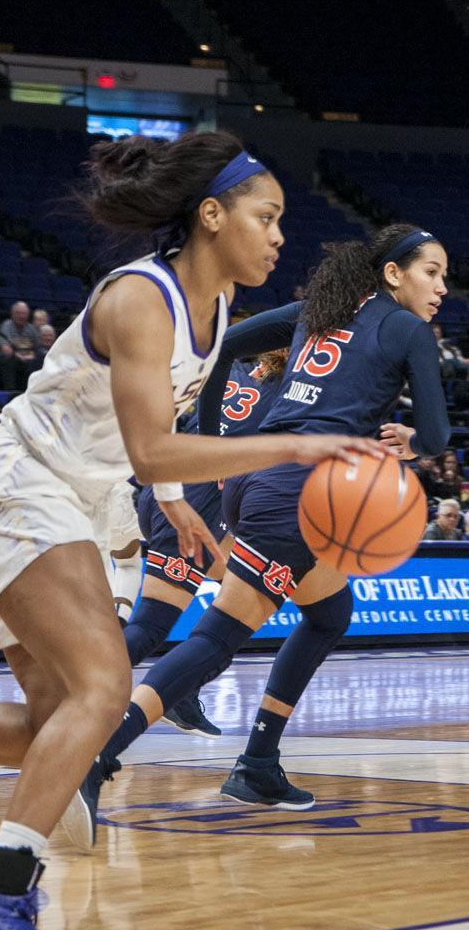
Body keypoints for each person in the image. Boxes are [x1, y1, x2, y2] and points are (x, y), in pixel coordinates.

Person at [0, 131, 381, 930]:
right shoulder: (140, 298)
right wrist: (290, 448)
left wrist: (183, 504)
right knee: (103, 687)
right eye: (267, 217)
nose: (278, 235)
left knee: (59, 730)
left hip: (84, 494)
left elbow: (153, 438)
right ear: (212, 214)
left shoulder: (216, 305)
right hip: (22, 482)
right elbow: (153, 449)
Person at [84, 222, 451, 820]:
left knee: (329, 614)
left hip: (256, 477)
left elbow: (226, 345)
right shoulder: (409, 330)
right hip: (299, 492)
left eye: (445, 278)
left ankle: (257, 764)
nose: (441, 289)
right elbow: (436, 435)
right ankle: (96, 754)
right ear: (393, 273)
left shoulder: (318, 309)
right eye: (431, 273)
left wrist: (207, 446)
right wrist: (411, 441)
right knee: (217, 636)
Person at [131, 350, 288, 739]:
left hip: (169, 483)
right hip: (196, 498)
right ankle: (80, 698)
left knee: (253, 594)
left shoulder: (234, 365)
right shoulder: (289, 394)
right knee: (151, 624)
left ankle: (184, 690)